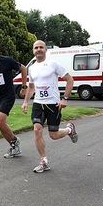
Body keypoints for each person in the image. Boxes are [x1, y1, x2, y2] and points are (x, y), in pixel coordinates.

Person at [21, 40, 78, 173]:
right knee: (37, 130)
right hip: (38, 103)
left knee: (53, 135)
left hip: (53, 103)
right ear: (33, 51)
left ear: (46, 49)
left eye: (41, 47)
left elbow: (70, 80)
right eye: (36, 48)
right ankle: (44, 161)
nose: (38, 49)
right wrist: (25, 102)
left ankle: (69, 130)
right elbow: (31, 87)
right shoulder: (32, 68)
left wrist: (65, 98)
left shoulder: (53, 64)